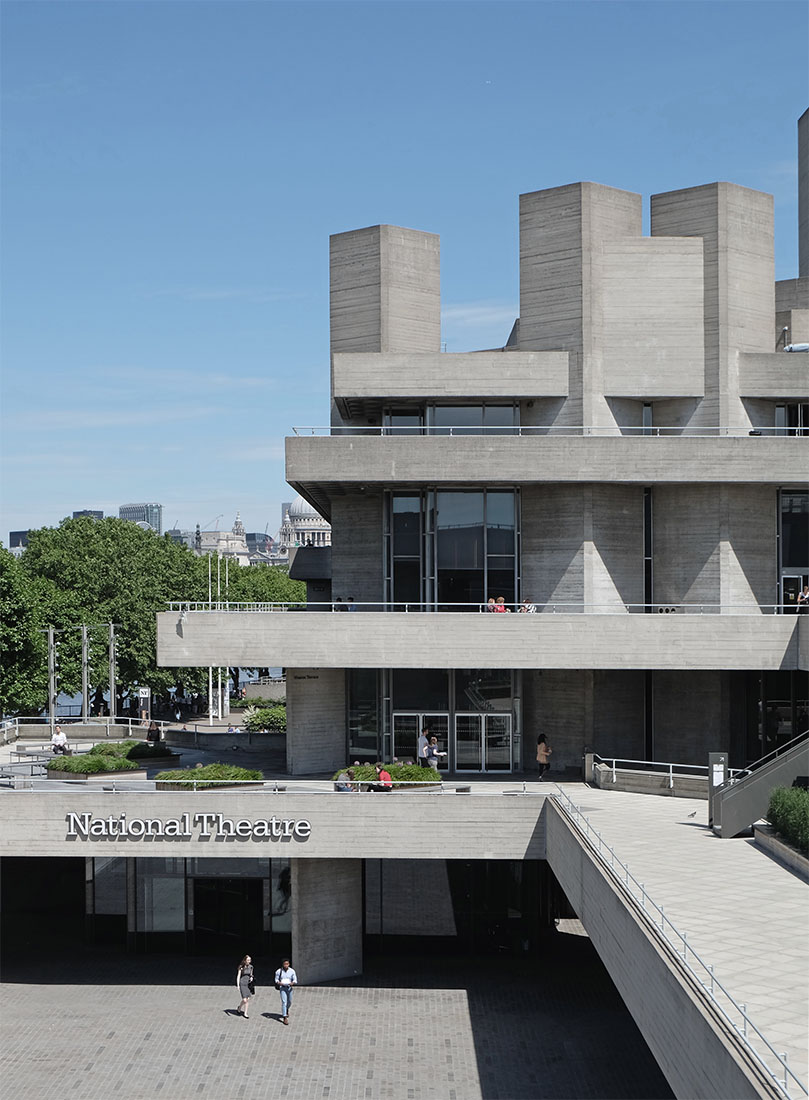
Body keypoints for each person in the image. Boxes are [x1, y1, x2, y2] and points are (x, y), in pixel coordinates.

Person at [275, 958, 297, 1024]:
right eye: (285, 964)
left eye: (287, 964)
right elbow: (276, 980)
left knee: (289, 1001)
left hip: (289, 988)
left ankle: (287, 1009)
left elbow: (295, 979)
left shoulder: (292, 971)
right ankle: (284, 1017)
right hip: (283, 988)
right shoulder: (279, 971)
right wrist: (279, 983)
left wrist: (292, 983)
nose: (286, 965)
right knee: (284, 1002)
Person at [236, 954, 254, 1018]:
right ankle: (239, 1007)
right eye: (248, 960)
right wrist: (238, 985)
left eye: (250, 960)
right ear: (245, 960)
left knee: (248, 999)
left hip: (248, 984)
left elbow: (251, 974)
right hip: (242, 983)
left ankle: (245, 1013)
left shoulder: (251, 967)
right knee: (244, 999)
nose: (249, 961)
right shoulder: (241, 967)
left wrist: (251, 978)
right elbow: (238, 976)